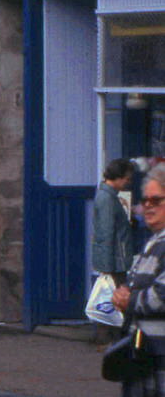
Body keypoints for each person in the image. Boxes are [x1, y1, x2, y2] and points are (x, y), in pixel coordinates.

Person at [113, 164, 165, 396]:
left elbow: (160, 297)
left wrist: (129, 300)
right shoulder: (153, 242)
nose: (148, 207)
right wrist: (122, 293)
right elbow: (132, 282)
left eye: (156, 200)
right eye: (145, 201)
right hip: (144, 361)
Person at [96, 159, 137, 288]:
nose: (128, 183)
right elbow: (106, 232)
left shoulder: (110, 197)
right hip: (116, 262)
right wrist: (107, 266)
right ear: (117, 177)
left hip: (117, 260)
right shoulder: (107, 198)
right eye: (127, 179)